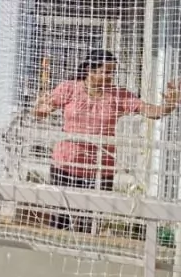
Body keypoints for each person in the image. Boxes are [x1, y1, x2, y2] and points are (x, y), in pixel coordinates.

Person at [33, 49, 179, 196]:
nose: (110, 76)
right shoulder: (69, 89)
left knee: (90, 215)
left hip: (101, 169)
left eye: (112, 72)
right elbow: (40, 113)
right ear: (90, 70)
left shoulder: (118, 95)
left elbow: (152, 111)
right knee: (61, 216)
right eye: (106, 72)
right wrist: (38, 106)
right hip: (66, 164)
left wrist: (170, 105)